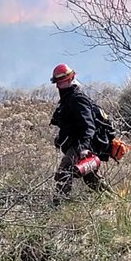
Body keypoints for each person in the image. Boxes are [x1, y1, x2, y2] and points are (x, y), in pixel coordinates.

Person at [49, 64, 105, 201]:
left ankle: (57, 206)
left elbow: (89, 126)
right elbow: (68, 125)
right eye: (57, 82)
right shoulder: (65, 101)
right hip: (74, 144)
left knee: (63, 174)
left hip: (80, 146)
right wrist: (60, 139)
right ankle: (112, 199)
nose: (58, 85)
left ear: (71, 79)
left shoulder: (78, 99)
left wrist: (84, 147)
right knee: (90, 179)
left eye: (62, 81)